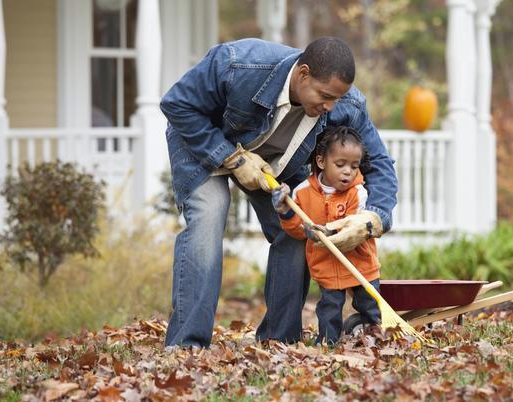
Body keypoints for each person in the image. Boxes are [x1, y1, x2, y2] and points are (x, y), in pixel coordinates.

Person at [160, 36, 397, 348]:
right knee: (209, 214)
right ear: (303, 74)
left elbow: (378, 161)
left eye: (336, 99)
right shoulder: (236, 64)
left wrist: (373, 219)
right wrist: (230, 156)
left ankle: (278, 340)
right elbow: (177, 103)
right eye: (324, 96)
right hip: (203, 143)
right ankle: (186, 344)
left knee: (299, 229)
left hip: (276, 163)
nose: (330, 107)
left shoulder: (346, 104)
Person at [271, 126, 381, 344]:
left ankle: (376, 337)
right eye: (340, 165)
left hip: (360, 263)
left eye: (354, 166)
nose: (348, 171)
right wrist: (285, 212)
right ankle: (328, 343)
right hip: (327, 265)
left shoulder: (357, 192)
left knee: (370, 304)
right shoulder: (302, 192)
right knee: (329, 308)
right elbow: (296, 230)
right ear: (321, 162)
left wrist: (328, 230)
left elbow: (351, 224)